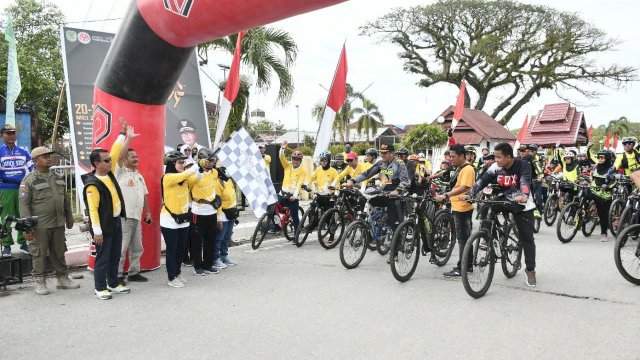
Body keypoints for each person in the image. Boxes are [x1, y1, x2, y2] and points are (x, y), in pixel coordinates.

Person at [460, 142, 538, 287]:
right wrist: (470, 194)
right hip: (503, 199)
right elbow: (482, 181)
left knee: (527, 238)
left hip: (522, 204)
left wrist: (524, 195)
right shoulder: (496, 167)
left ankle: (531, 270)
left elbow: (524, 181)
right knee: (487, 208)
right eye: (495, 157)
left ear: (508, 157)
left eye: (498, 157)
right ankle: (488, 236)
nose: (496, 160)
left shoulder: (523, 165)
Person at [19, 147, 79, 295]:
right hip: (40, 225)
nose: (49, 158)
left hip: (58, 223)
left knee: (59, 252)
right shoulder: (29, 181)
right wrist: (28, 228)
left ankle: (62, 278)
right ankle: (39, 281)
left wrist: (69, 217)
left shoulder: (58, 177)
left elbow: (65, 199)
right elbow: (24, 205)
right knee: (38, 254)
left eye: (49, 156)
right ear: (35, 161)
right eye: (44, 156)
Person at [82, 122, 132, 300]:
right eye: (106, 160)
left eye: (110, 160)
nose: (110, 161)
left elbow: (116, 151)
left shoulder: (109, 174)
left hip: (115, 222)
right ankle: (100, 287)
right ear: (96, 163)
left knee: (115, 254)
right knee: (103, 258)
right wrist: (97, 231)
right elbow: (93, 211)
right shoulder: (92, 185)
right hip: (102, 226)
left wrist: (121, 134)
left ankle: (113, 282)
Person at [161, 150, 201, 288]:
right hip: (169, 220)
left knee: (180, 249)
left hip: (183, 220)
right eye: (180, 162)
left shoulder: (183, 178)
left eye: (183, 162)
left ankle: (177, 273)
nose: (183, 164)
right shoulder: (168, 177)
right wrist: (195, 166)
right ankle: (171, 277)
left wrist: (200, 169)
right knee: (172, 249)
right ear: (172, 164)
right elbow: (186, 174)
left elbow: (195, 179)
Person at [115, 130, 151, 284]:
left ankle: (134, 272)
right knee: (122, 247)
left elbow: (144, 195)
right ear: (125, 160)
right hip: (124, 217)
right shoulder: (120, 172)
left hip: (136, 216)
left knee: (137, 247)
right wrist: (128, 139)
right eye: (133, 157)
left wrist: (148, 212)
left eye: (137, 157)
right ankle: (116, 275)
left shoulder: (139, 175)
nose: (136, 159)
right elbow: (119, 156)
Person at [349, 143, 409, 229]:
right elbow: (367, 174)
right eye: (381, 153)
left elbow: (404, 181)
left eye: (385, 153)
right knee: (365, 198)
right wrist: (353, 180)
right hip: (384, 191)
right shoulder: (380, 163)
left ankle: (397, 236)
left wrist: (397, 191)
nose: (382, 155)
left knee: (395, 224)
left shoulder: (399, 163)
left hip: (396, 194)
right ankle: (371, 228)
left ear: (392, 153)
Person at [436, 144, 475, 278]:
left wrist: (446, 195)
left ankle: (462, 267)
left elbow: (464, 187)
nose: (450, 159)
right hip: (458, 206)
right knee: (465, 238)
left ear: (462, 156)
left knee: (463, 239)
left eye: (453, 156)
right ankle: (468, 265)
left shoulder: (468, 169)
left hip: (463, 208)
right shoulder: (460, 168)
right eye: (450, 156)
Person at [1, 124, 33, 256]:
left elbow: (33, 170)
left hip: (21, 188)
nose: (11, 135)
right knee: (7, 217)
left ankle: (23, 243)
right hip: (5, 188)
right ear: (2, 136)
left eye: (13, 133)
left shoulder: (24, 152)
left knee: (21, 215)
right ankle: (7, 245)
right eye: (8, 133)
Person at [189, 148, 222, 276]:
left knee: (211, 240)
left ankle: (208, 265)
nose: (210, 163)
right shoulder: (194, 173)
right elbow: (191, 183)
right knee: (197, 241)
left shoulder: (214, 173)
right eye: (208, 161)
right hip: (198, 211)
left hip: (211, 211)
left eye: (212, 161)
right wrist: (199, 170)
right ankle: (198, 265)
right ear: (201, 160)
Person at [587, 145, 617, 241]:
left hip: (605, 195)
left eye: (602, 157)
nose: (599, 159)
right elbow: (589, 157)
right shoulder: (596, 166)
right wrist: (588, 148)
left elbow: (615, 181)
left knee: (602, 214)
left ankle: (604, 233)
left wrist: (608, 186)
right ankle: (581, 214)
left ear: (607, 158)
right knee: (583, 195)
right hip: (594, 189)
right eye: (598, 157)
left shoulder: (611, 169)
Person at [213, 167, 238, 269]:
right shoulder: (218, 183)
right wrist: (218, 218)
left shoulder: (229, 181)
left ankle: (224, 255)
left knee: (227, 237)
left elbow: (233, 195)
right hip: (223, 213)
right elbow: (217, 201)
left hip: (231, 213)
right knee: (219, 238)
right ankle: (215, 258)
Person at [279, 141, 306, 232]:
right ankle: (275, 225)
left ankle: (296, 234)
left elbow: (299, 184)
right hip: (282, 194)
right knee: (272, 208)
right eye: (294, 159)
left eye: (297, 160)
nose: (295, 161)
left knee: (295, 217)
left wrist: (295, 196)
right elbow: (281, 157)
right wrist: (282, 148)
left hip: (292, 197)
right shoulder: (287, 166)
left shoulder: (302, 171)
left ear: (300, 161)